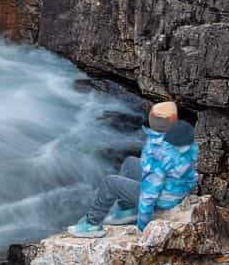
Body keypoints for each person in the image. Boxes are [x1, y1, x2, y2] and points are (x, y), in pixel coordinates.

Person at [67, 100, 199, 238]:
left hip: (163, 197)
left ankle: (92, 224)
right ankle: (127, 209)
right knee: (130, 163)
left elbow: (151, 189)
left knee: (110, 182)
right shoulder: (180, 135)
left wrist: (143, 223)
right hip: (175, 189)